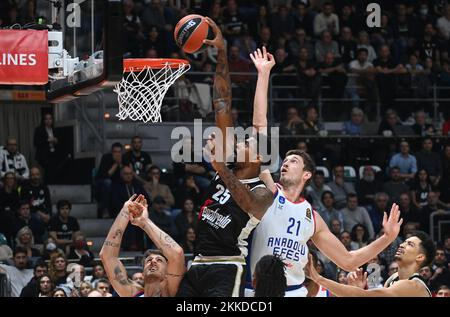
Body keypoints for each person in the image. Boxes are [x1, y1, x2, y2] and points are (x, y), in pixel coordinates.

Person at [245, 47, 403, 297]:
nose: (285, 163)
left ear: (307, 174)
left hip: (296, 291)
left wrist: (386, 237)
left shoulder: (312, 217)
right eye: (285, 160)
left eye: (293, 161)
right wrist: (263, 75)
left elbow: (348, 261)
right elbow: (259, 126)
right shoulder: (269, 191)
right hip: (259, 293)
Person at [176, 26, 273, 297]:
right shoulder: (226, 169)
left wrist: (221, 170)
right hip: (196, 263)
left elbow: (248, 204)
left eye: (245, 143)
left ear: (257, 158)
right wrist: (221, 52)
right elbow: (222, 102)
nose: (238, 143)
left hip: (227, 266)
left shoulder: (263, 193)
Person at [100, 194, 185, 297]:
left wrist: (144, 222)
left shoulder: (171, 291)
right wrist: (125, 211)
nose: (153, 261)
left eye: (159, 260)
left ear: (168, 272)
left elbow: (177, 254)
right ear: (143, 273)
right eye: (148, 260)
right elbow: (107, 256)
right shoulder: (133, 293)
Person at [305, 231, 435, 296]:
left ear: (420, 257)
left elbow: (366, 296)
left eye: (410, 244)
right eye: (404, 242)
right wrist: (359, 290)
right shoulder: (392, 279)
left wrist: (318, 278)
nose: (402, 245)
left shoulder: (413, 285)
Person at [95, 142, 124, 218]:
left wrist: (120, 165)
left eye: (119, 152)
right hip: (102, 182)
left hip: (116, 182)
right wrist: (116, 164)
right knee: (108, 183)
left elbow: (124, 176)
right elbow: (107, 175)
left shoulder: (124, 159)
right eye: (115, 152)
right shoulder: (106, 158)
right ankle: (105, 209)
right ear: (112, 152)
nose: (117, 154)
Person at [33, 113, 60, 183]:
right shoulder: (39, 129)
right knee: (45, 173)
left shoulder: (54, 129)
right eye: (46, 119)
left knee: (53, 172)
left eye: (50, 119)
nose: (48, 120)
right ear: (43, 120)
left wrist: (56, 141)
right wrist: (47, 140)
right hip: (43, 155)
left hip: (53, 154)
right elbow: (36, 142)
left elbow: (59, 141)